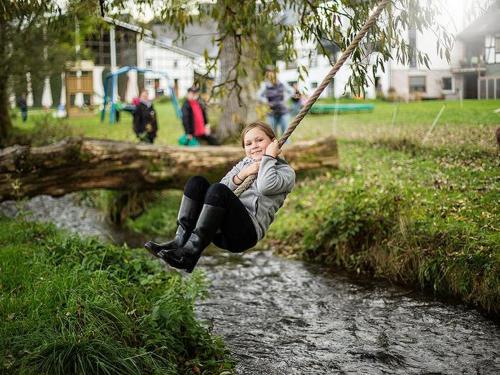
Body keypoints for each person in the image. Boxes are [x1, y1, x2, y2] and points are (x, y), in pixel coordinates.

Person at [144, 121, 295, 273]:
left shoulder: (285, 172)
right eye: (248, 143)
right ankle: (180, 241)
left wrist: (268, 157)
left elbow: (265, 186)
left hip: (244, 234)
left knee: (218, 190)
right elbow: (223, 188)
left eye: (259, 140)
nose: (254, 146)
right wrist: (244, 173)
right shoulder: (245, 164)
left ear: (273, 142)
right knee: (196, 182)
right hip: (218, 228)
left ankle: (191, 253)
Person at [257, 66, 294, 137]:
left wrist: (284, 99)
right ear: (266, 74)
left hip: (283, 111)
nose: (270, 74)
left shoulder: (281, 82)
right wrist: (266, 101)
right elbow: (259, 95)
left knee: (286, 134)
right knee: (272, 134)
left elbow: (291, 91)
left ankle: (287, 147)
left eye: (272, 72)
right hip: (271, 112)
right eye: (268, 72)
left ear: (275, 73)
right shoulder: (264, 84)